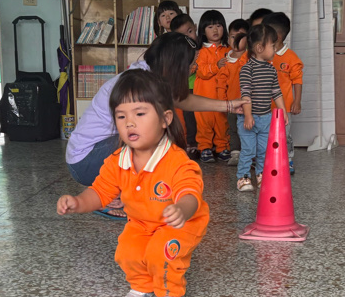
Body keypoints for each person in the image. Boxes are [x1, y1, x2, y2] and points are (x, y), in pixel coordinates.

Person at [57, 70, 210, 297]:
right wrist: (78, 202)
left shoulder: (176, 160)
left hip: (180, 222)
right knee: (127, 251)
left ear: (165, 119)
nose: (129, 123)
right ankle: (143, 286)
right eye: (121, 116)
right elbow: (100, 192)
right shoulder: (117, 160)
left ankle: (170, 290)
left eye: (140, 114)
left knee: (161, 251)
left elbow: (190, 192)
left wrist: (182, 209)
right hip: (141, 222)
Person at [65, 32, 241, 219]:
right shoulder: (141, 85)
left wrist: (229, 105)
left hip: (96, 154)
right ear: (175, 65)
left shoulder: (151, 76)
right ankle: (108, 196)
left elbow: (182, 99)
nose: (193, 67)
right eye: (191, 63)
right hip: (87, 161)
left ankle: (133, 191)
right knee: (152, 134)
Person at [236, 23, 285, 193]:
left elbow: (276, 92)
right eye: (273, 46)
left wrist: (283, 112)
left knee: (264, 150)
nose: (275, 50)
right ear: (259, 48)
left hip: (266, 118)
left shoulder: (271, 70)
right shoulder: (247, 70)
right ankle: (243, 177)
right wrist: (248, 115)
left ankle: (261, 174)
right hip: (248, 118)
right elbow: (246, 94)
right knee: (248, 150)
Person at [264, 12, 304, 175]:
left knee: (284, 135)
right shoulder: (262, 54)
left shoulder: (291, 57)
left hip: (284, 107)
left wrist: (297, 101)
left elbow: (297, 80)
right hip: (263, 107)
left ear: (277, 36)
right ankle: (267, 161)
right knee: (265, 134)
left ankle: (288, 160)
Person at [194, 10, 231, 164]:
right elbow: (201, 72)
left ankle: (222, 147)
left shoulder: (228, 50)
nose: (215, 30)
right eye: (210, 27)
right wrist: (216, 66)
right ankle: (204, 148)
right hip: (203, 96)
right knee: (204, 123)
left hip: (222, 96)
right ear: (203, 31)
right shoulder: (201, 52)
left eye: (218, 26)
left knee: (222, 122)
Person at [171, 13, 200, 158]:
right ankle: (190, 143)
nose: (188, 37)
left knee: (200, 118)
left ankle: (200, 144)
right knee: (187, 119)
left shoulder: (202, 48)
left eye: (190, 31)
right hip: (184, 88)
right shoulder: (177, 53)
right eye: (183, 35)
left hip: (200, 88)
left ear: (195, 27)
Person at [223, 19, 250, 165]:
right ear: (228, 38)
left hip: (248, 103)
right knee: (233, 129)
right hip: (232, 102)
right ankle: (235, 153)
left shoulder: (250, 58)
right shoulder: (225, 59)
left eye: (240, 37)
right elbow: (221, 82)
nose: (236, 40)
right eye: (233, 37)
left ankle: (249, 154)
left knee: (248, 128)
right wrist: (222, 101)